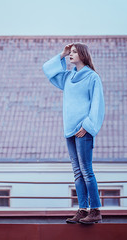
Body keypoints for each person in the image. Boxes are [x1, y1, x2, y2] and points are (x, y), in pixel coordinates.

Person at [42, 43, 105, 224]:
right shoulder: (68, 77)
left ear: (83, 55)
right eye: (70, 52)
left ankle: (95, 210)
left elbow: (97, 104)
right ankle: (82, 209)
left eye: (74, 52)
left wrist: (88, 125)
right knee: (77, 172)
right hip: (69, 131)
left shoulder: (93, 78)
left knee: (86, 170)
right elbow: (47, 69)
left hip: (84, 130)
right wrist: (62, 54)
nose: (71, 54)